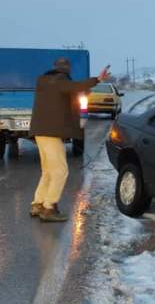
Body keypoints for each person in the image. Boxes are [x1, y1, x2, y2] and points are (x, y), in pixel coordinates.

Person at [29, 58, 110, 222]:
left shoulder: (43, 81)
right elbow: (75, 87)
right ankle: (49, 207)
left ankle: (38, 204)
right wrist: (98, 79)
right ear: (67, 70)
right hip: (51, 133)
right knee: (60, 171)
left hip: (40, 131)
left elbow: (69, 94)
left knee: (49, 171)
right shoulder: (60, 81)